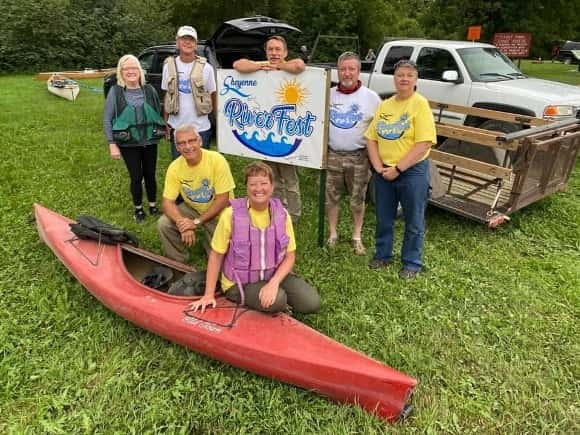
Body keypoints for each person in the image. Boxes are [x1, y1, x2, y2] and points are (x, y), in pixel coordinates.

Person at [190, 162, 321, 314]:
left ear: (272, 187)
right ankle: (275, 299)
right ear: (246, 188)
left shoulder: (282, 214)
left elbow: (290, 256)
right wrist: (208, 295)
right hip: (240, 283)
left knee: (311, 303)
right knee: (278, 300)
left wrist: (274, 283)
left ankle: (273, 292)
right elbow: (216, 255)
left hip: (272, 274)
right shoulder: (230, 215)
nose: (259, 189)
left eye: (264, 183)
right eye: (253, 184)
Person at [365, 59, 436, 278]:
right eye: (400, 75)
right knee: (383, 217)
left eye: (409, 75)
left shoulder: (420, 104)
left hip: (412, 171)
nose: (404, 79)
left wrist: (399, 168)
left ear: (416, 80)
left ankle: (411, 262)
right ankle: (382, 255)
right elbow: (371, 138)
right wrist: (378, 166)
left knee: (413, 219)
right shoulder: (385, 105)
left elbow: (424, 142)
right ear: (394, 79)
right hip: (384, 171)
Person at [233, 35, 305, 224]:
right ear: (266, 52)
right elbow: (238, 65)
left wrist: (279, 66)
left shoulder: (289, 66)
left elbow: (299, 65)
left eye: (278, 49)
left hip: (287, 135)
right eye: (270, 49)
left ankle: (294, 216)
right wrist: (260, 66)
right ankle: (277, 209)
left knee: (290, 179)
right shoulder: (262, 66)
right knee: (270, 176)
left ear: (285, 52)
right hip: (265, 134)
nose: (274, 53)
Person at [326, 52, 380, 255]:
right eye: (343, 69)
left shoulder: (371, 98)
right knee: (332, 197)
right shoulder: (328, 95)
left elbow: (379, 129)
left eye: (351, 69)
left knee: (358, 198)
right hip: (332, 155)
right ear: (338, 71)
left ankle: (356, 236)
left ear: (358, 71)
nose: (347, 73)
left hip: (359, 157)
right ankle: (333, 234)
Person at [157, 125, 235, 263]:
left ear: (200, 141)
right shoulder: (175, 167)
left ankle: (211, 244)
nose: (187, 147)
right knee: (164, 223)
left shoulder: (216, 160)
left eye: (191, 141)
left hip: (220, 211)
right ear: (177, 147)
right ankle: (178, 263)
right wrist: (182, 223)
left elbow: (223, 199)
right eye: (182, 143)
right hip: (193, 208)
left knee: (221, 262)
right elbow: (167, 202)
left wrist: (196, 223)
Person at [103, 54, 165, 222]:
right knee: (136, 176)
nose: (131, 71)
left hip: (150, 141)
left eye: (134, 67)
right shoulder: (115, 92)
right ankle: (138, 209)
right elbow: (107, 119)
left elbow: (158, 113)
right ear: (121, 72)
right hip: (128, 143)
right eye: (126, 68)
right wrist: (112, 144)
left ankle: (152, 206)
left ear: (140, 70)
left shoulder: (150, 90)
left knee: (150, 174)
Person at [162, 25, 216, 159]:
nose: (187, 42)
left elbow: (213, 95)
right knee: (179, 166)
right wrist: (166, 122)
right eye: (184, 38)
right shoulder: (168, 66)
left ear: (196, 44)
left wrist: (217, 124)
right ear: (177, 42)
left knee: (202, 167)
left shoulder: (207, 68)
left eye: (191, 39)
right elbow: (167, 96)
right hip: (177, 128)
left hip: (201, 129)